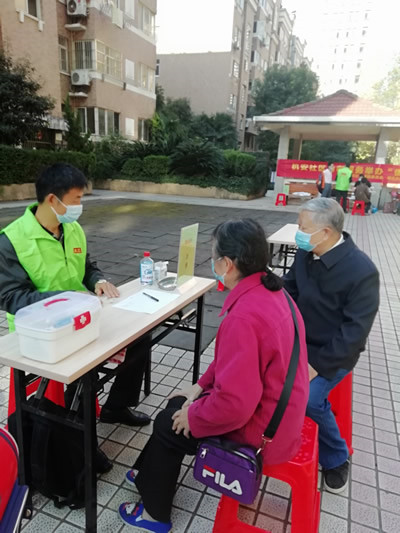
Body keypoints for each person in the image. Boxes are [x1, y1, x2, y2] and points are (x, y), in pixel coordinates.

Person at [118, 219, 309, 532]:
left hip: (265, 431)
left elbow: (235, 405)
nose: (212, 263)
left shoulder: (244, 316)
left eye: (213, 257)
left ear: (228, 264)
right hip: (280, 413)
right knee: (178, 403)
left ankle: (154, 516)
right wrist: (199, 388)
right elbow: (232, 362)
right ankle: (145, 474)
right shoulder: (272, 291)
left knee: (168, 423)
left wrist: (194, 417)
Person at [0, 163, 151, 429]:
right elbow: (11, 298)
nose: (80, 206)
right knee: (83, 374)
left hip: (81, 318)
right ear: (52, 199)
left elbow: (86, 266)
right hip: (41, 333)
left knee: (139, 336)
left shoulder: (72, 229)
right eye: (76, 200)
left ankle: (116, 407)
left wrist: (98, 280)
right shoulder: (12, 240)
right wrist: (65, 299)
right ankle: (80, 438)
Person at [284, 198, 379, 494]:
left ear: (325, 232)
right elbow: (289, 288)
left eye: (302, 227)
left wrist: (317, 366)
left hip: (333, 352)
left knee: (309, 399)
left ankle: (337, 456)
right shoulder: (306, 252)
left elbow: (354, 334)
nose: (298, 233)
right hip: (298, 342)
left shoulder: (362, 271)